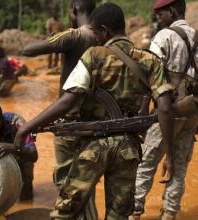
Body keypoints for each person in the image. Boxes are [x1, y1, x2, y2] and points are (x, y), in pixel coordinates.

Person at [15, 3, 175, 219]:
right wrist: (170, 157)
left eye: (97, 32)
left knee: (66, 209)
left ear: (105, 30)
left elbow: (67, 102)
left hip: (94, 147)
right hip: (129, 148)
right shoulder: (149, 60)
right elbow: (165, 109)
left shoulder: (94, 56)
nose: (96, 37)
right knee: (119, 214)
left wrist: (27, 127)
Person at [130, 1, 198, 220]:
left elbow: (148, 77)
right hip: (192, 113)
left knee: (146, 164)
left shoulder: (163, 37)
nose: (159, 19)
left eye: (161, 15)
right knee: (179, 167)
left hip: (166, 113)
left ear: (172, 11)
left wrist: (140, 113)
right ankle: (169, 214)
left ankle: (134, 211)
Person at [22, 0, 98, 218]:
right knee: (86, 182)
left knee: (65, 183)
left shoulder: (75, 36)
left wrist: (60, 37)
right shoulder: (103, 36)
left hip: (70, 123)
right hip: (96, 123)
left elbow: (27, 50)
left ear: (73, 10)